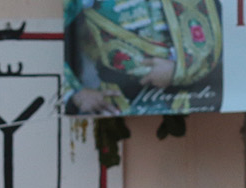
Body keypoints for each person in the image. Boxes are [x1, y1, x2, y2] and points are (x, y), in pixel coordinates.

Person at [63, 0, 222, 116]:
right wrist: (74, 92)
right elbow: (51, 39)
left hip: (194, 97)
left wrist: (179, 68)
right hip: (119, 101)